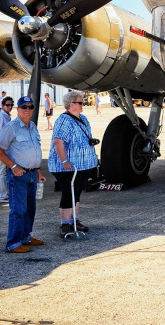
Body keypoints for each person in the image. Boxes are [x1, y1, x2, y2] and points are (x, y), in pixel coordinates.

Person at [0, 95, 46, 253]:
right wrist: (13, 166)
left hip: (31, 174)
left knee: (30, 209)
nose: (27, 110)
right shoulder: (12, 127)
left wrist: (38, 171)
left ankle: (25, 237)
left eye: (30, 107)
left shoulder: (32, 126)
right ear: (18, 109)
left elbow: (33, 150)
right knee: (18, 209)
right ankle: (13, 243)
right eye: (24, 107)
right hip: (18, 175)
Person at [49, 90, 99, 237]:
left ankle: (75, 221)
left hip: (83, 166)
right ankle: (65, 224)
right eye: (80, 102)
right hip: (68, 167)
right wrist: (64, 161)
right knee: (68, 193)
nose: (83, 104)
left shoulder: (82, 118)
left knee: (76, 192)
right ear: (71, 104)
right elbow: (58, 141)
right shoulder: (64, 120)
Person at [0, 96, 14, 203]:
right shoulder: (2, 116)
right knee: (2, 171)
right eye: (7, 105)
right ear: (2, 105)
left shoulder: (6, 116)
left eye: (11, 105)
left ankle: (5, 193)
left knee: (5, 171)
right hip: (2, 148)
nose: (9, 107)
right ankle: (2, 195)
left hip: (6, 147)